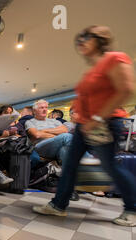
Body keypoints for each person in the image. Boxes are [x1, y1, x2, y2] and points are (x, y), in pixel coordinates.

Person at [33, 26, 136, 227]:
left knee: (110, 166)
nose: (80, 42)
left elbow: (126, 90)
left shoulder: (115, 58)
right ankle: (59, 205)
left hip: (104, 122)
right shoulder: (92, 69)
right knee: (70, 163)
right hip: (84, 125)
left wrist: (98, 118)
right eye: (79, 39)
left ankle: (132, 208)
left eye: (85, 38)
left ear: (99, 40)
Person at [26, 99, 72, 164]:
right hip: (40, 147)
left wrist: (43, 131)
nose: (44, 109)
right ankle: (87, 162)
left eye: (46, 107)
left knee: (64, 150)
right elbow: (37, 135)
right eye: (41, 108)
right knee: (66, 137)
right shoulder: (30, 122)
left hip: (55, 147)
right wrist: (57, 135)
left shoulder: (56, 121)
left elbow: (65, 130)